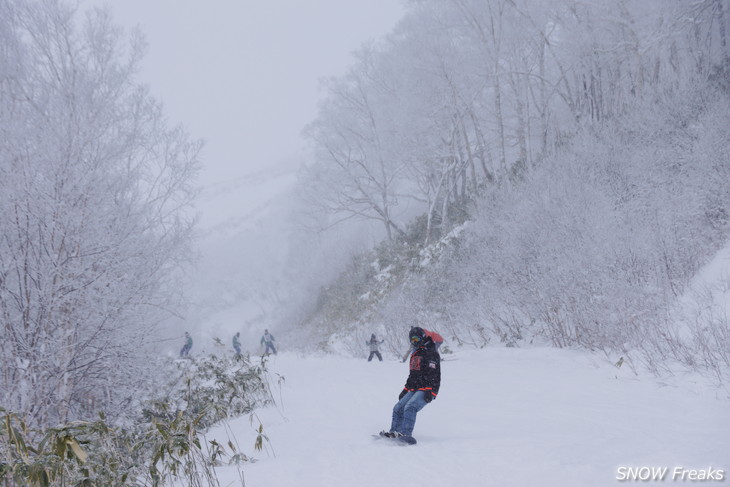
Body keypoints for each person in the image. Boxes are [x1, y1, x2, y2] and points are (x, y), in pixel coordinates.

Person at [381, 327, 441, 441]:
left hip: (428, 388)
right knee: (398, 408)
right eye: (411, 340)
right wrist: (405, 389)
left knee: (410, 407)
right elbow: (413, 374)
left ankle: (406, 434)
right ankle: (395, 432)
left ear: (422, 337)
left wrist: (429, 389)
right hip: (416, 387)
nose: (414, 342)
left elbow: (432, 373)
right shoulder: (416, 353)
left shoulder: (430, 351)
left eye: (416, 339)